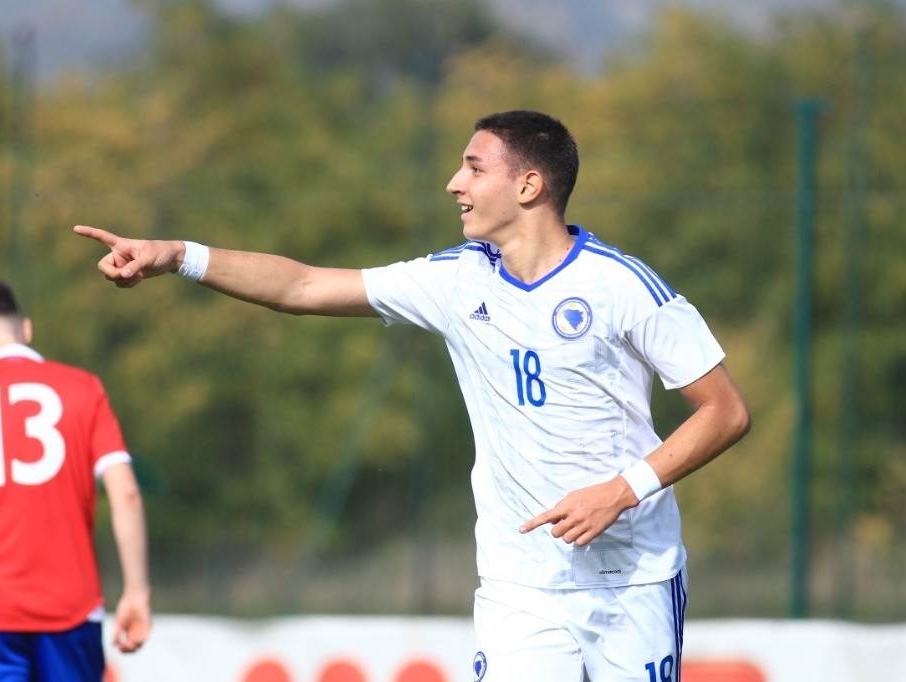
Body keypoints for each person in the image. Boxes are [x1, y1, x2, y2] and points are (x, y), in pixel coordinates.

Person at [75, 110, 749, 682]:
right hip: (520, 584)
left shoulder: (622, 286)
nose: (455, 183)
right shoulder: (457, 281)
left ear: (529, 184)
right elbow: (303, 287)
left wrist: (621, 491)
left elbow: (725, 410)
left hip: (632, 575)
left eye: (475, 168)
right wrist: (175, 255)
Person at [0, 279, 151, 681]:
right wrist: (136, 591)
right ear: (27, 330)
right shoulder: (83, 388)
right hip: (71, 607)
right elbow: (126, 493)